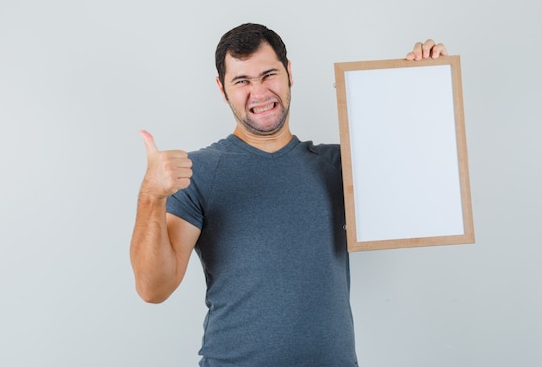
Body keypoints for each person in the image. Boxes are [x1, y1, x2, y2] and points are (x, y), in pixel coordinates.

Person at [130, 23, 447, 366]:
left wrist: (422, 83)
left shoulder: (340, 166)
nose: (259, 92)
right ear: (222, 90)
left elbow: (423, 178)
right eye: (242, 81)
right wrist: (151, 196)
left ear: (290, 73)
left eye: (268, 75)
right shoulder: (198, 172)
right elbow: (153, 289)